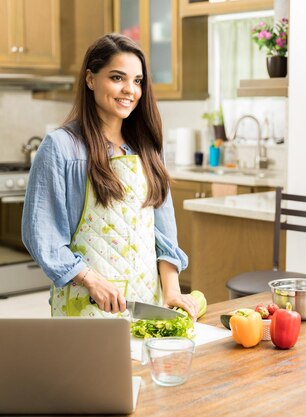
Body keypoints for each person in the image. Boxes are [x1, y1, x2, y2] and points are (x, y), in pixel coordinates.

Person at [22, 33, 198, 319]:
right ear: (91, 79)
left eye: (137, 81)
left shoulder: (149, 147)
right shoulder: (61, 147)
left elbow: (164, 230)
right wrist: (90, 280)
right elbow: (42, 235)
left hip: (147, 299)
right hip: (87, 303)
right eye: (117, 78)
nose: (130, 89)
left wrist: (172, 290)